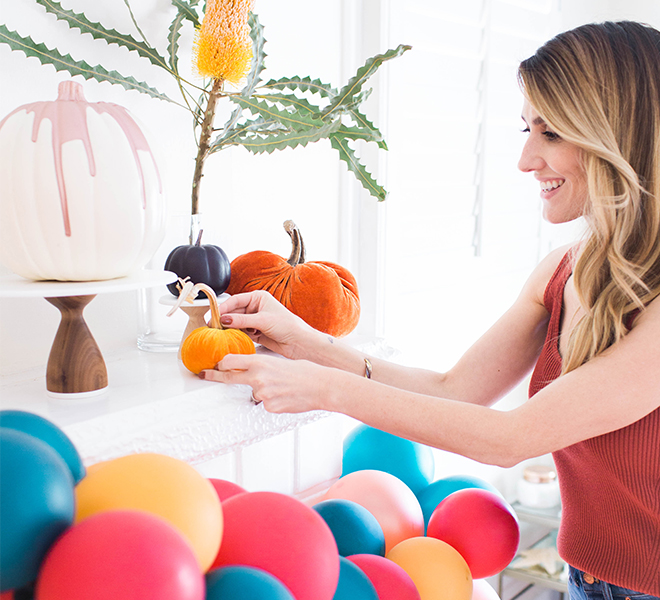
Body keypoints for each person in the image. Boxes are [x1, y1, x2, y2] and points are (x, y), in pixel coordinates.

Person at [201, 21, 660, 599]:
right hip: (590, 582)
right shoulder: (562, 270)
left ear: (616, 136)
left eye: (550, 133)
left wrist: (321, 387)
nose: (524, 159)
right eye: (527, 129)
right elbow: (454, 390)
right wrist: (305, 342)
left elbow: (509, 437)